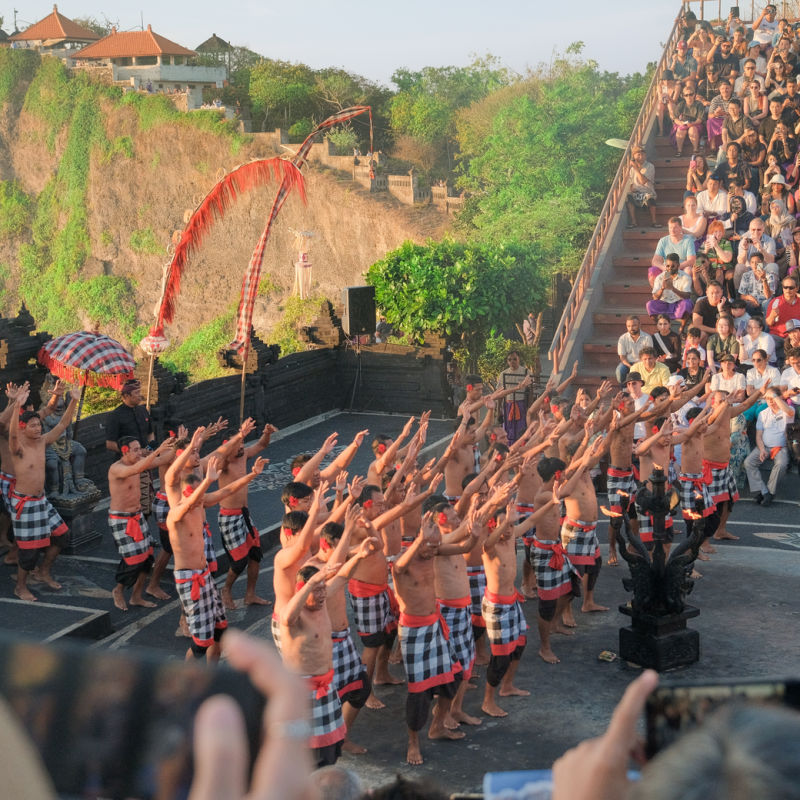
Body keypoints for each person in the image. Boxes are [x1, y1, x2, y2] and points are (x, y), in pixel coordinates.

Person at [392, 511, 471, 764]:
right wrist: (419, 541)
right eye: (429, 546)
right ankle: (413, 743)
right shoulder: (403, 562)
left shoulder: (434, 551)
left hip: (436, 624)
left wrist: (477, 530)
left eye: (436, 546)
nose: (433, 551)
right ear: (418, 541)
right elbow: (398, 567)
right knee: (419, 692)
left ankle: (437, 725)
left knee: (454, 675)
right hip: (414, 631)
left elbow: (466, 545)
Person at [7, 384, 80, 602]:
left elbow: (63, 424)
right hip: (25, 504)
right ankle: (20, 587)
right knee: (28, 552)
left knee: (63, 536)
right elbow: (11, 435)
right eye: (32, 426)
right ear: (22, 428)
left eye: (39, 425)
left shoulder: (42, 442)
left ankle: (43, 571)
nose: (38, 429)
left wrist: (73, 401)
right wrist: (16, 405)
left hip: (42, 501)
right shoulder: (17, 446)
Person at [107, 435, 176, 611]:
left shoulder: (139, 462)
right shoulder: (117, 469)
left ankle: (136, 596)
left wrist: (182, 443)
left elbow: (165, 459)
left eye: (140, 449)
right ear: (125, 451)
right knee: (133, 559)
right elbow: (138, 468)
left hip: (137, 517)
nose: (140, 452)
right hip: (121, 519)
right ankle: (118, 589)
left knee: (146, 558)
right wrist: (157, 451)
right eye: (136, 450)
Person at [215, 420, 277, 610]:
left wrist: (267, 433)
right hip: (228, 517)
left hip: (244, 514)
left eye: (242, 445)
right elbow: (223, 454)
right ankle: (226, 589)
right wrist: (239, 436)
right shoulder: (223, 463)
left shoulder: (242, 455)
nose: (242, 448)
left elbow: (261, 444)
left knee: (255, 555)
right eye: (238, 445)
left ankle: (250, 594)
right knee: (239, 560)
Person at [105, 379, 155, 518]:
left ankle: (146, 532)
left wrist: (150, 448)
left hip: (145, 461)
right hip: (127, 465)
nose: (140, 395)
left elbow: (151, 433)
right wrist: (133, 453)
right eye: (136, 393)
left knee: (147, 500)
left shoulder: (143, 410)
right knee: (132, 500)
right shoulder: (115, 416)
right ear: (126, 396)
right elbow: (109, 443)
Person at [743, 387, 792, 505]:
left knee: (781, 464)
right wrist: (761, 449)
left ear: (780, 398)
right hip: (764, 446)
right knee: (748, 463)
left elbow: (790, 413)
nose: (770, 401)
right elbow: (759, 436)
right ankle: (764, 492)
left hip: (781, 448)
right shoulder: (762, 413)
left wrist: (776, 397)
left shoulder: (787, 410)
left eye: (773, 398)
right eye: (768, 398)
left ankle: (769, 492)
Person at [646, 254, 693, 333]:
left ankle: (681, 328)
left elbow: (687, 295)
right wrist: (662, 288)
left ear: (678, 265)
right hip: (664, 304)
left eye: (673, 266)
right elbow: (655, 297)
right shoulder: (660, 277)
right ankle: (661, 327)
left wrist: (673, 289)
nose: (669, 269)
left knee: (688, 304)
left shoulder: (685, 277)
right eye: (667, 266)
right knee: (650, 305)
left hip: (678, 304)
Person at [494, 350, 533, 445]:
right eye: (509, 359)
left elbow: (531, 392)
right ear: (507, 361)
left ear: (519, 359)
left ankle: (521, 446)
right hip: (508, 405)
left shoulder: (526, 372)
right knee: (508, 428)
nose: (512, 361)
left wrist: (529, 407)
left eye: (515, 359)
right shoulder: (503, 374)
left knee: (521, 427)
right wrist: (498, 409)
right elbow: (500, 393)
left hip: (521, 405)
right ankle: (509, 447)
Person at [650, 217, 696, 285]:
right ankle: (658, 294)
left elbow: (691, 260)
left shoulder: (688, 240)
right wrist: (664, 267)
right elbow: (655, 260)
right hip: (667, 268)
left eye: (675, 227)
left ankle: (683, 294)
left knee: (688, 270)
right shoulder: (663, 241)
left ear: (680, 228)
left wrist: (676, 267)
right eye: (670, 227)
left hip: (682, 267)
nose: (672, 230)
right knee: (652, 271)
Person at [625, 144, 659, 228]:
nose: (641, 156)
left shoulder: (650, 166)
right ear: (634, 156)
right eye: (638, 154)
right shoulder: (631, 169)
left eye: (643, 154)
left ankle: (654, 222)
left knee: (650, 198)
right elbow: (631, 185)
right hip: (637, 192)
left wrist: (636, 168)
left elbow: (643, 181)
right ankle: (634, 222)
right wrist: (633, 188)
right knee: (629, 197)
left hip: (647, 191)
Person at [669, 79, 705, 156]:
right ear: (683, 96)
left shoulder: (699, 104)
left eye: (691, 94)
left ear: (694, 94)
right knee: (680, 129)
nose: (689, 96)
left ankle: (695, 150)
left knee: (692, 130)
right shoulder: (681, 104)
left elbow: (699, 120)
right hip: (684, 123)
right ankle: (679, 151)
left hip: (695, 124)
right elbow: (675, 118)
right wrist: (681, 123)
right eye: (686, 95)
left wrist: (691, 124)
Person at [616, 315, 653, 384]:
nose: (631, 328)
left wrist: (638, 365)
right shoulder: (623, 338)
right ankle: (624, 390)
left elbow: (648, 355)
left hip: (643, 362)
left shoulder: (647, 337)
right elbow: (622, 357)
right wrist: (630, 366)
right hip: (628, 363)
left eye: (634, 325)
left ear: (639, 325)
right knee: (619, 371)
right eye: (628, 326)